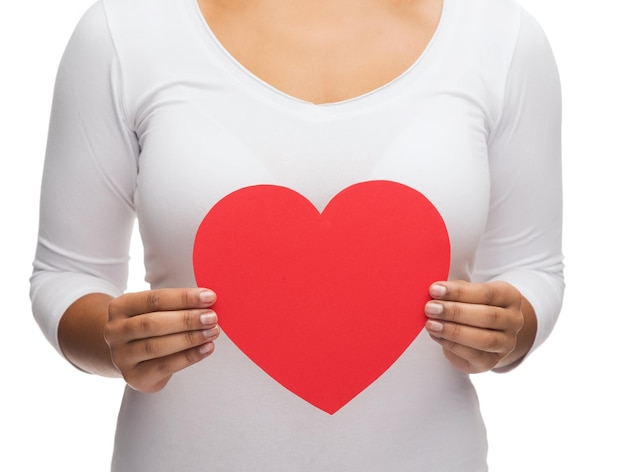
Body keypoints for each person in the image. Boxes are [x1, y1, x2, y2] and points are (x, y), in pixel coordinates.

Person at [30, 0, 564, 469]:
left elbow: (534, 269)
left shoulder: (503, 39)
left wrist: (512, 330)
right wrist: (110, 340)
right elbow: (65, 274)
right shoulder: (123, 33)